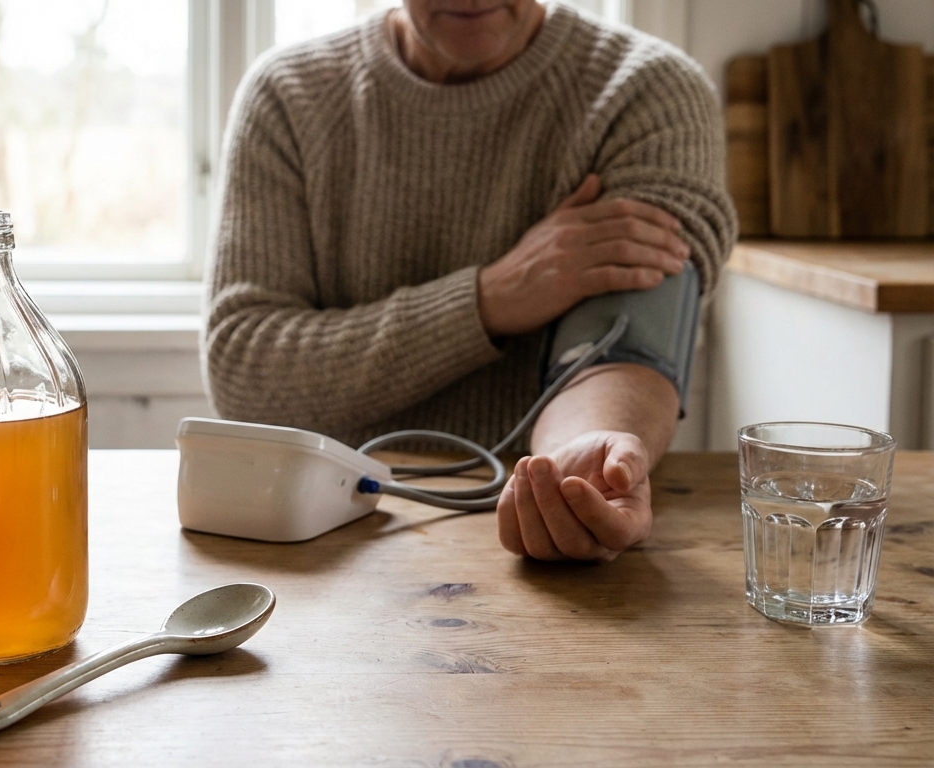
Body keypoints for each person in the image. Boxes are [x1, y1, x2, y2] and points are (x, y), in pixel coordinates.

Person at [202, 0, 737, 562]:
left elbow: (623, 343)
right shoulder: (289, 95)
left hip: (537, 543)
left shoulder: (646, 90)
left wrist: (574, 467)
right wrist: (488, 302)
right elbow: (244, 371)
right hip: (321, 542)